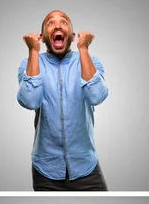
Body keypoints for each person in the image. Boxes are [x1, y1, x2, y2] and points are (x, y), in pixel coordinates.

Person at [17, 10, 108, 191]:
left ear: (73, 37)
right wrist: (33, 51)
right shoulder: (28, 63)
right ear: (42, 37)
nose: (58, 25)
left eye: (64, 22)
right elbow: (30, 101)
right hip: (46, 170)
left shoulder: (92, 61)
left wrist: (84, 49)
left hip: (86, 166)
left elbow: (96, 96)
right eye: (51, 23)